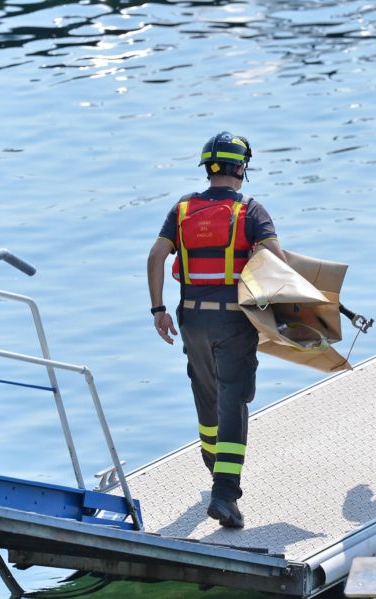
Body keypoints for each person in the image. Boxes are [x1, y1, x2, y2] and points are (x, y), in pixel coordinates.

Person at [147, 131, 286, 528]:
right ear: (241, 168)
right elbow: (277, 260)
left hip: (191, 321)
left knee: (207, 399)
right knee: (233, 402)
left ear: (209, 168)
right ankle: (225, 494)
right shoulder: (251, 211)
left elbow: (156, 256)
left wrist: (158, 309)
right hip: (233, 323)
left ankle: (214, 469)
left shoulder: (182, 209)